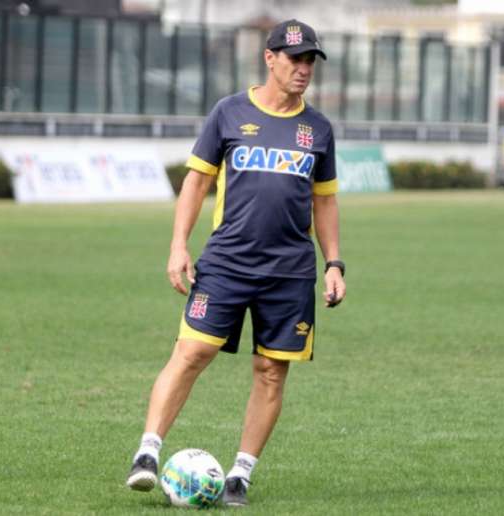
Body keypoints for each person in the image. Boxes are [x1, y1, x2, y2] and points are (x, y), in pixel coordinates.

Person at [126, 18, 346, 507]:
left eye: (311, 60)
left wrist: (334, 263)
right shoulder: (229, 113)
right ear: (269, 59)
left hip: (290, 272)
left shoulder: (318, 129)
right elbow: (196, 182)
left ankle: (240, 475)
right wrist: (178, 245)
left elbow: (325, 201)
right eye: (295, 59)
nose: (304, 69)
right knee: (192, 353)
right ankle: (146, 454)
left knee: (271, 370)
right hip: (227, 263)